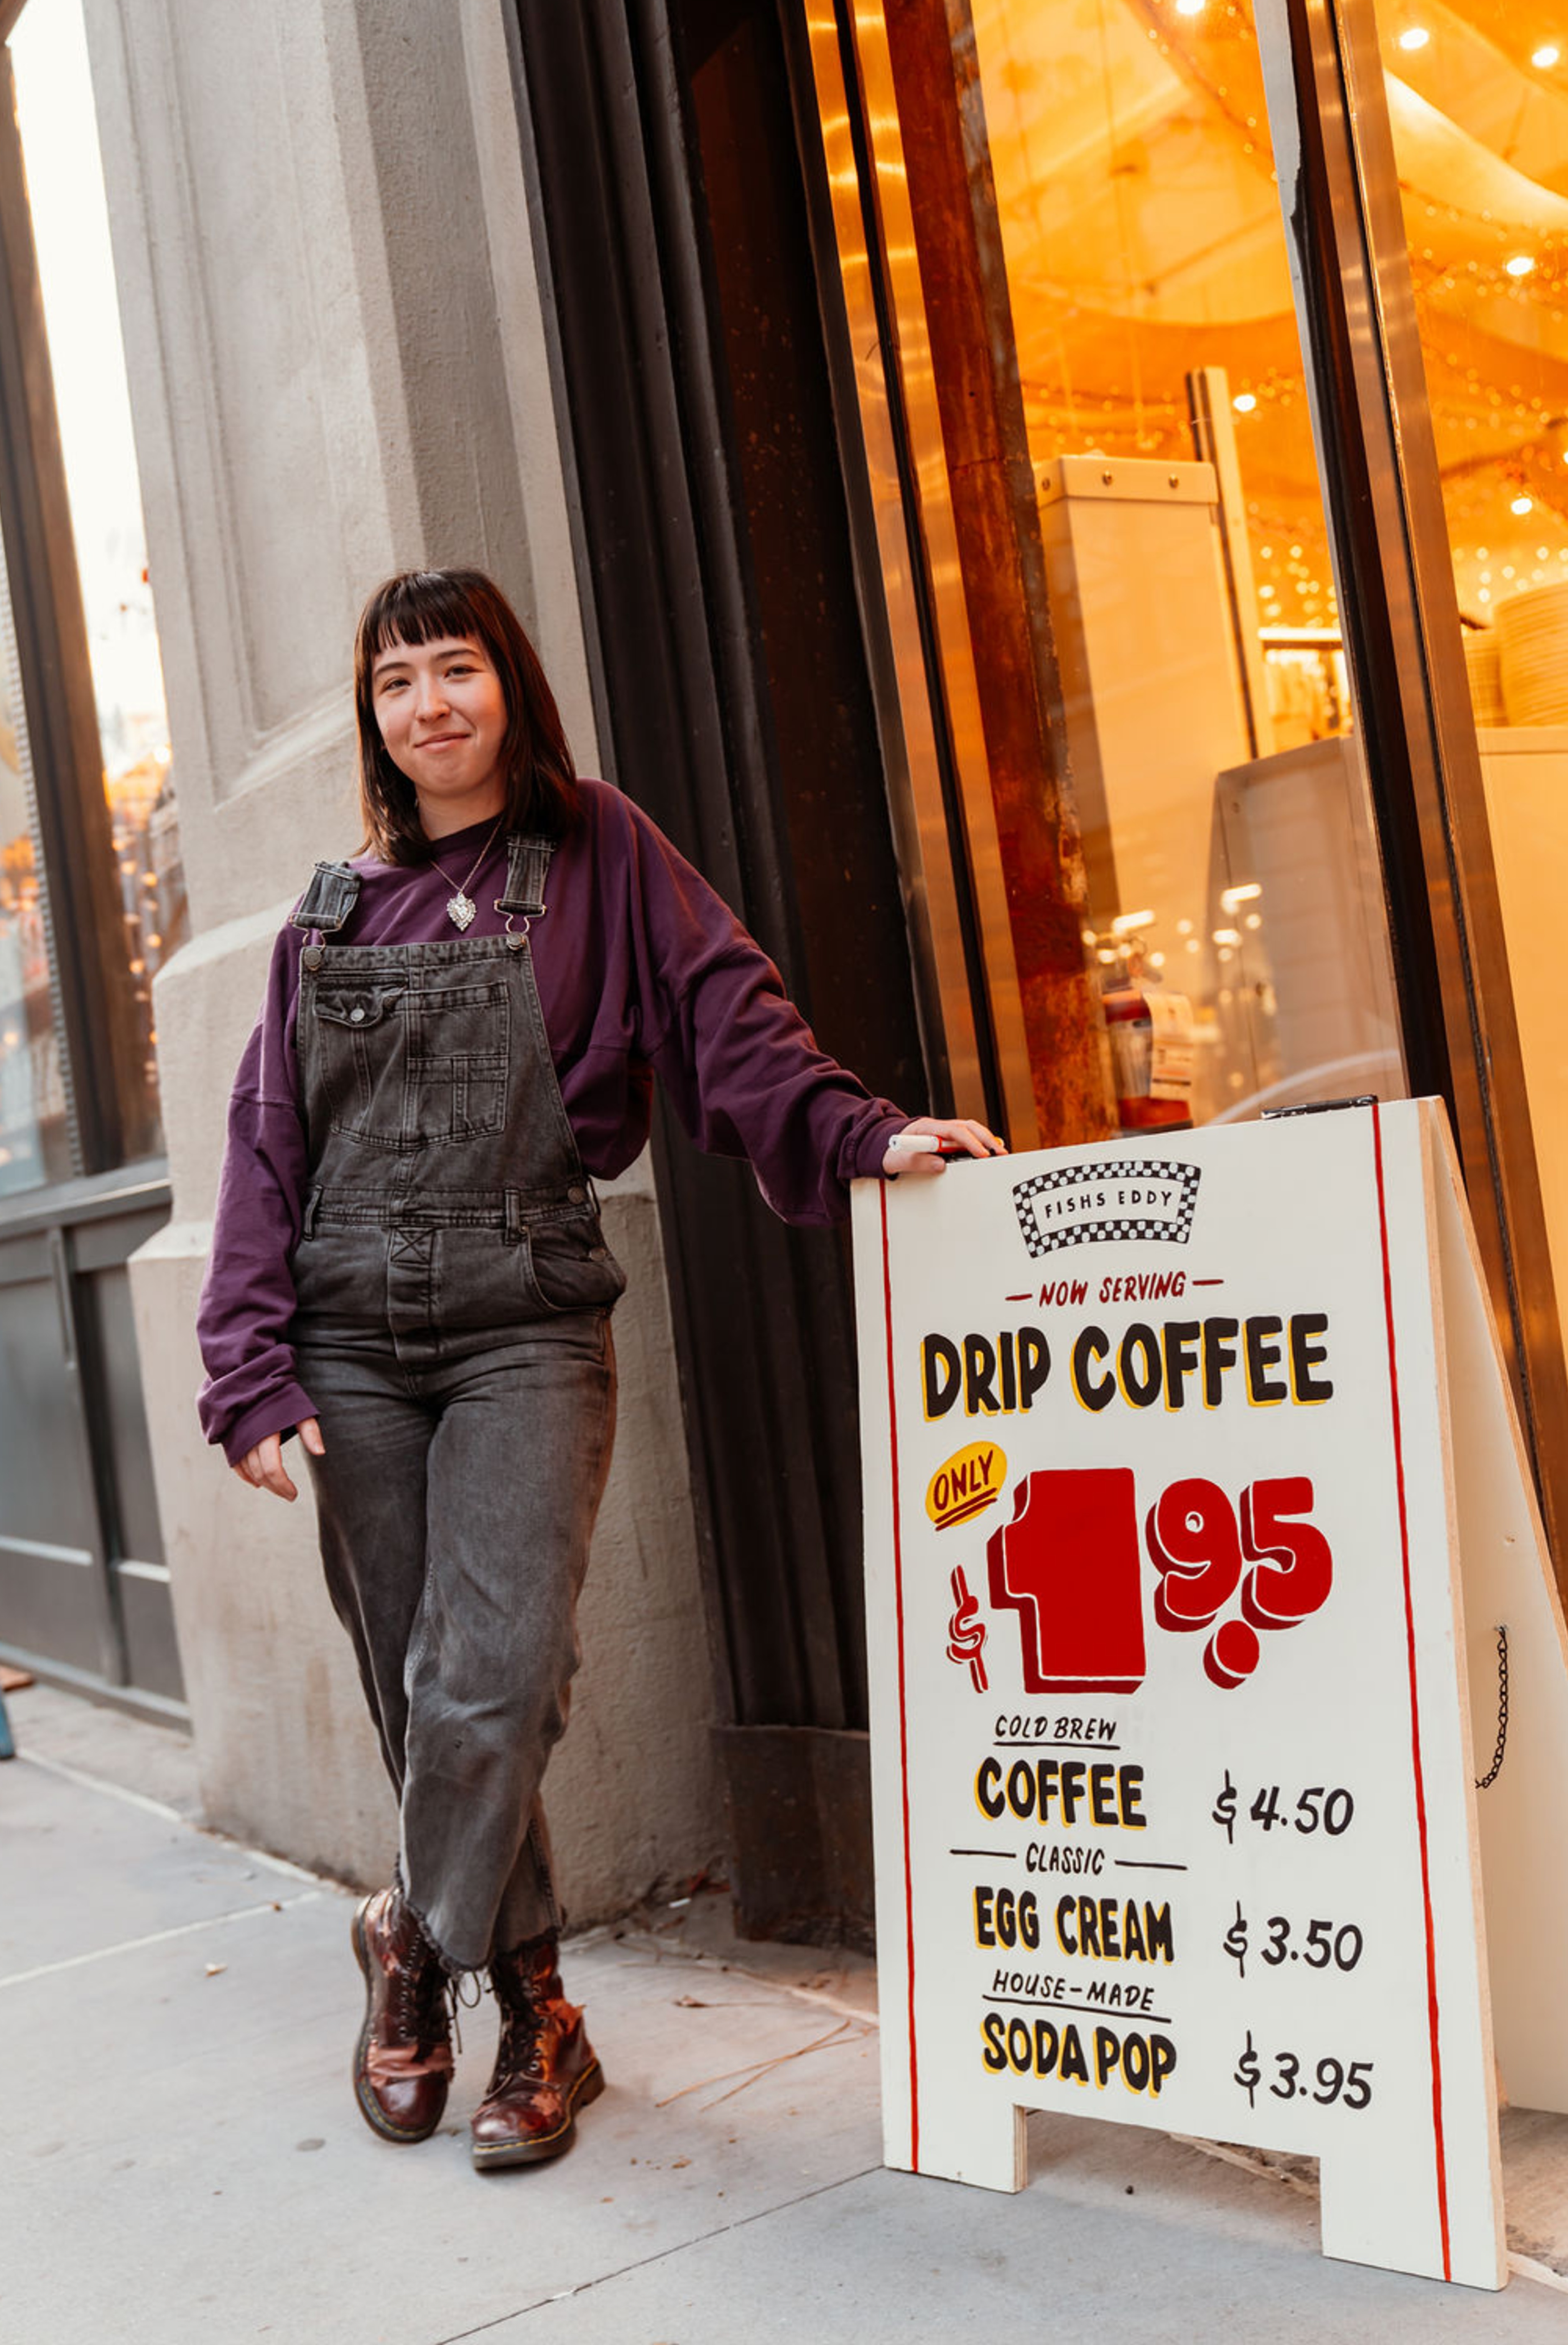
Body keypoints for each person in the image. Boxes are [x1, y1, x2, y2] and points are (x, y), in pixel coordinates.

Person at [196, 566, 1003, 2172]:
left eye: (458, 669)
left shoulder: (603, 852)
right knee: (418, 1690)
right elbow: (267, 1137)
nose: (430, 705)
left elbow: (732, 1017)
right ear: (372, 715)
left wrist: (860, 1131)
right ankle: (541, 2014)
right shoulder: (329, 912)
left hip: (525, 1323)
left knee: (498, 1681)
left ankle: (409, 1946)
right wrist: (248, 1365)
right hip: (350, 1337)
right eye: (398, 680)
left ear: (513, 685)